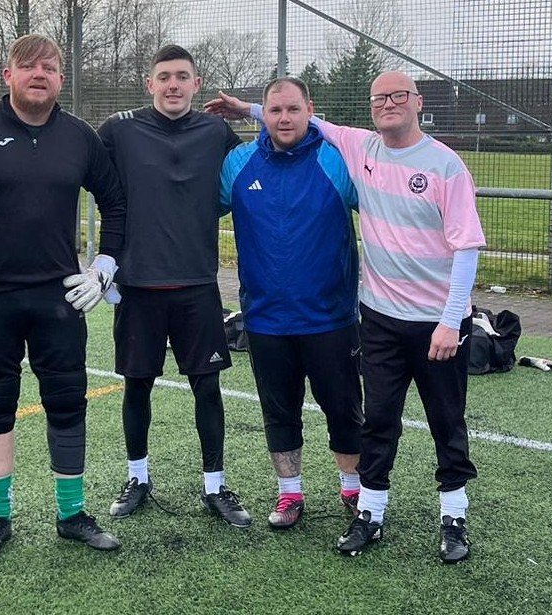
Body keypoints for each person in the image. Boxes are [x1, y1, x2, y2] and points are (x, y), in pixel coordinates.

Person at [206, 71, 485, 563]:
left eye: (399, 96)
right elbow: (204, 207)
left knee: (428, 418)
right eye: (381, 98)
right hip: (340, 316)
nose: (285, 117)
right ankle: (336, 502)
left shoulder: (385, 160)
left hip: (370, 318)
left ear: (417, 103)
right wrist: (249, 108)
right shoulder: (266, 160)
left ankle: (438, 512)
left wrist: (452, 316)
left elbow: (466, 245)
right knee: (367, 417)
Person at [0, 34, 126, 559]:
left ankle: (72, 514)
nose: (39, 74)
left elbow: (116, 203)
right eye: (28, 67)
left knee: (67, 401)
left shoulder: (80, 137)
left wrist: (105, 266)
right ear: (8, 76)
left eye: (49, 67)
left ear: (61, 78)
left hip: (59, 297)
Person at [96, 45, 251, 527]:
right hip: (138, 286)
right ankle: (137, 479)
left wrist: (248, 109)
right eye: (164, 77)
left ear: (197, 83)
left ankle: (215, 486)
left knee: (207, 388)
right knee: (136, 386)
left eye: (182, 76)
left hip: (198, 286)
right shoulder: (120, 129)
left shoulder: (215, 131)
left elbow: (284, 132)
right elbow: (70, 163)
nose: (173, 85)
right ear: (149, 84)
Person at [218, 77, 363, 530]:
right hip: (264, 318)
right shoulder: (238, 163)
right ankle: (289, 495)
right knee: (279, 410)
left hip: (331, 317)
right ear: (264, 113)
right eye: (274, 110)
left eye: (293, 110)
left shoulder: (337, 161)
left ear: (309, 110)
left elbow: (385, 215)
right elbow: (192, 210)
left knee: (343, 408)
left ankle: (353, 488)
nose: (284, 118)